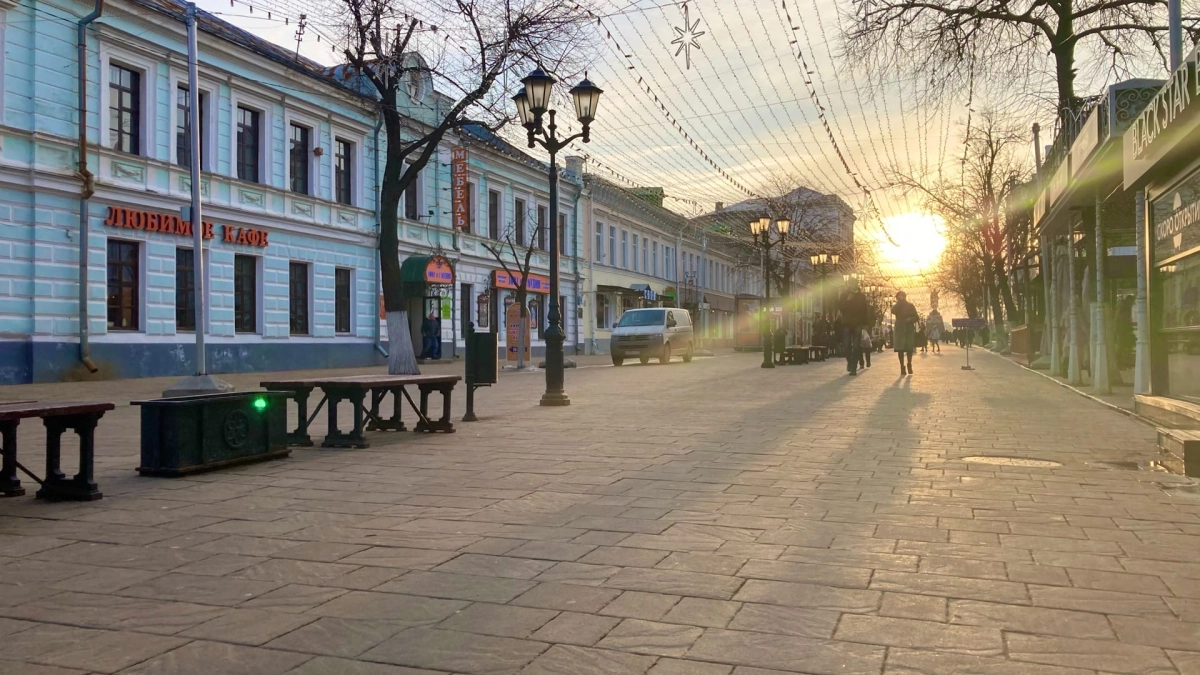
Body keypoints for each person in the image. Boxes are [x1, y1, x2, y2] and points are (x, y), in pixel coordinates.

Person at [839, 282, 871, 376]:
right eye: (851, 285)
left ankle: (854, 368)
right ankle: (850, 361)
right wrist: (848, 300)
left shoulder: (861, 296)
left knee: (856, 347)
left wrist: (865, 323)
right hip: (847, 323)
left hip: (858, 324)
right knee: (846, 345)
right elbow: (840, 308)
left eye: (855, 284)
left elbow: (865, 310)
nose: (853, 286)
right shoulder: (844, 295)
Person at [891, 291, 919, 375]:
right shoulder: (897, 306)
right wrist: (898, 303)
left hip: (908, 328)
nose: (900, 297)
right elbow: (893, 311)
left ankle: (909, 364)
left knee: (909, 348)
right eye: (898, 296)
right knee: (900, 349)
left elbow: (916, 317)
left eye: (901, 296)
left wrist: (911, 319)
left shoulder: (910, 306)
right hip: (900, 329)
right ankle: (902, 366)